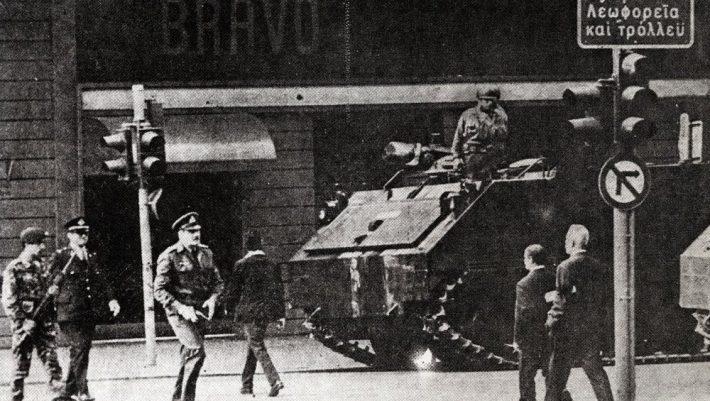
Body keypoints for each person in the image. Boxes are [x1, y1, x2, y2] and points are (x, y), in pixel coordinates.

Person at [154, 212, 224, 401]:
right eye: (191, 231)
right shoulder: (170, 256)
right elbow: (159, 290)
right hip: (179, 312)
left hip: (199, 312)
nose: (196, 235)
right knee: (196, 351)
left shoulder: (206, 253)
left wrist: (213, 298)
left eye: (198, 231)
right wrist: (181, 308)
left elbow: (218, 283)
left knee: (188, 356)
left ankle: (178, 398)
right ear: (181, 234)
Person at [50, 217, 121, 401]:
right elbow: (50, 281)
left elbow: (102, 279)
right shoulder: (61, 256)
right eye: (79, 233)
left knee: (80, 350)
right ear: (69, 235)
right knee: (80, 348)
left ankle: (67, 392)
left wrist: (112, 299)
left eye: (85, 233)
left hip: (87, 312)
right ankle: (83, 391)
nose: (83, 236)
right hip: (68, 312)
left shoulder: (91, 255)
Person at [545, 225, 613, 401]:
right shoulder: (599, 267)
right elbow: (600, 300)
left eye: (567, 240)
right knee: (597, 376)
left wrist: (549, 323)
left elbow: (561, 303)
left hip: (567, 333)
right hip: (590, 330)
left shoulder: (565, 267)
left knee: (556, 380)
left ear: (573, 243)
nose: (565, 243)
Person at [2, 227, 63, 401]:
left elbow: (47, 291)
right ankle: (16, 397)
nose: (42, 247)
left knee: (52, 361)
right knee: (20, 365)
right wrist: (22, 321)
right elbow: (9, 300)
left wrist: (53, 291)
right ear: (28, 244)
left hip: (43, 321)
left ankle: (57, 394)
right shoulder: (14, 268)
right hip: (24, 323)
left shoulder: (41, 266)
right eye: (39, 244)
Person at [232, 230, 286, 397]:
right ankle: (246, 385)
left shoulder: (241, 265)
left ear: (247, 246)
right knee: (253, 345)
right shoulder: (272, 265)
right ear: (260, 244)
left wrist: (228, 307)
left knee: (256, 345)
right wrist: (281, 315)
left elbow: (233, 291)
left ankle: (274, 380)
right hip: (265, 313)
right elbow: (279, 292)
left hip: (248, 313)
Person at [513, 244, 556, 401]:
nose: (524, 261)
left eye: (525, 258)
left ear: (530, 259)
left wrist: (517, 339)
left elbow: (521, 314)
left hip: (530, 337)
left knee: (526, 377)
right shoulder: (554, 278)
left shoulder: (523, 284)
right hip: (552, 334)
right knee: (552, 374)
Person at [451, 87, 509, 180]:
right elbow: (457, 138)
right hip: (472, 160)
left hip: (492, 160)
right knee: (472, 185)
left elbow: (504, 139)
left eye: (493, 101)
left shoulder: (500, 116)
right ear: (479, 100)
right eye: (486, 100)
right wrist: (456, 158)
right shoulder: (468, 115)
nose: (489, 103)